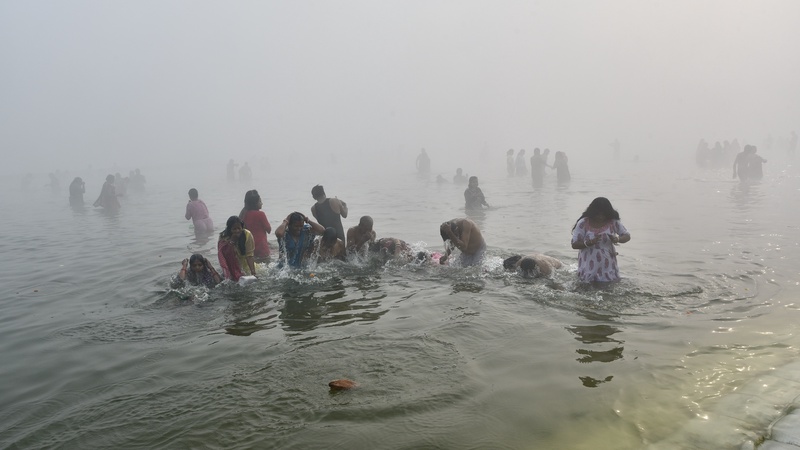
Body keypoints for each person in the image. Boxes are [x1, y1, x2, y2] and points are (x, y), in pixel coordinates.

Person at [570, 197, 631, 283]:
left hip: (608, 267)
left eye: (603, 215)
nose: (600, 217)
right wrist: (589, 243)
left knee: (609, 286)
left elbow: (627, 236)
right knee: (586, 286)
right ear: (592, 212)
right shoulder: (583, 223)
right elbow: (574, 244)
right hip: (587, 266)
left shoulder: (613, 222)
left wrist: (617, 239)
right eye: (598, 214)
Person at [218, 216, 256, 281]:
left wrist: (253, 273)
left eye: (239, 228)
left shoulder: (247, 234)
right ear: (229, 229)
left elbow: (249, 256)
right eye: (234, 229)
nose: (237, 231)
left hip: (245, 266)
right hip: (230, 266)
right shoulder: (223, 237)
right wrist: (232, 242)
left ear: (242, 227)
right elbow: (223, 256)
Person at [238, 190, 272, 260]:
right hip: (261, 248)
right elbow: (269, 230)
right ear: (255, 203)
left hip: (249, 248)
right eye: (260, 201)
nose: (262, 203)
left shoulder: (243, 215)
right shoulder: (261, 214)